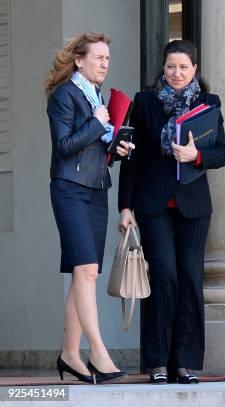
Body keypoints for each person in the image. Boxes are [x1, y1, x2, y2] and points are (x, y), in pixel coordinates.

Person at [118, 40, 225, 384]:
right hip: (152, 205)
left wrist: (195, 156)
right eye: (170, 67)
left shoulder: (208, 104)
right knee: (164, 276)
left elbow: (222, 154)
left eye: (183, 67)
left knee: (190, 281)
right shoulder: (145, 102)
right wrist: (125, 206)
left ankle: (185, 361)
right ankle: (158, 362)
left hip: (193, 206)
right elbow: (131, 158)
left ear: (194, 69)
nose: (176, 73)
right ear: (162, 70)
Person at [45, 32, 134, 384]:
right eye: (99, 57)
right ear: (78, 61)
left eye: (107, 58)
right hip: (70, 190)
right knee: (84, 271)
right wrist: (98, 123)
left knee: (87, 274)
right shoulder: (64, 95)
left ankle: (69, 353)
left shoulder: (95, 95)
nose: (105, 63)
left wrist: (116, 147)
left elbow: (94, 147)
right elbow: (65, 146)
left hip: (96, 190)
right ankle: (98, 352)